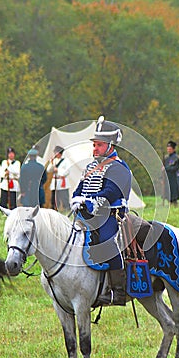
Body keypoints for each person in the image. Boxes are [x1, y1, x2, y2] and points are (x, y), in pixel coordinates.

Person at [71, 116, 132, 306]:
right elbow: (79, 189)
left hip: (112, 215)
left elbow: (110, 192)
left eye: (98, 145)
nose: (94, 148)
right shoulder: (90, 167)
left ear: (109, 145)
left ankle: (118, 292)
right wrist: (76, 199)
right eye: (94, 145)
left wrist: (89, 201)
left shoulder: (118, 167)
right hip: (88, 215)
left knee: (107, 242)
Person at [46, 145, 70, 211]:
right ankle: (54, 209)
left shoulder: (66, 160)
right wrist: (51, 162)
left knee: (64, 198)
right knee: (54, 199)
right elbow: (49, 170)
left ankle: (66, 209)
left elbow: (67, 171)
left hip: (62, 181)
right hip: (55, 181)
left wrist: (58, 170)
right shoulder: (54, 160)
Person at [163, 141, 179, 205]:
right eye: (168, 149)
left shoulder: (176, 157)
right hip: (167, 176)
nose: (168, 150)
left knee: (173, 189)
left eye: (170, 149)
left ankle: (174, 201)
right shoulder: (166, 157)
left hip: (173, 176)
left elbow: (176, 167)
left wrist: (167, 168)